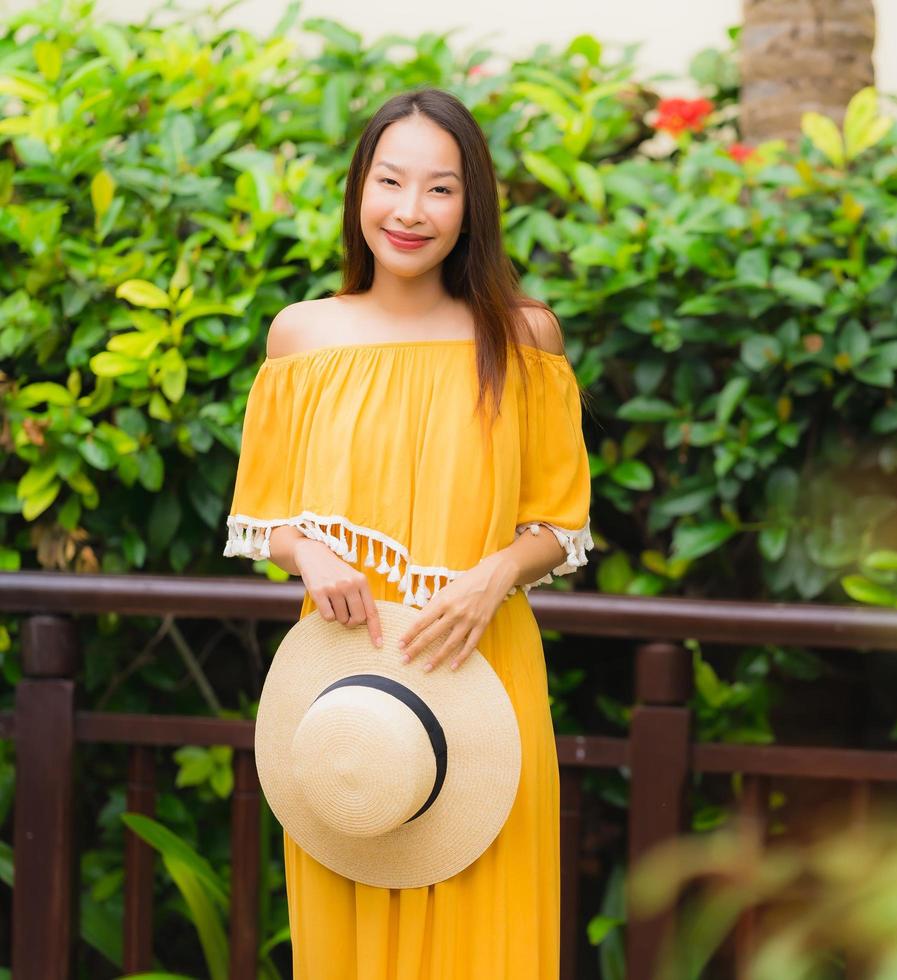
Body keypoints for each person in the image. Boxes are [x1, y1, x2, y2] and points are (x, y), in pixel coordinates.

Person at [222, 86, 593, 978]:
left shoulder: (523, 336)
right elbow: (258, 517)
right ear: (360, 191)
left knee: (489, 941)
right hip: (347, 684)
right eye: (391, 181)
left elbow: (563, 525)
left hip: (484, 666)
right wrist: (309, 552)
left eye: (441, 188)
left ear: (473, 209)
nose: (410, 210)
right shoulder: (302, 336)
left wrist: (493, 574)